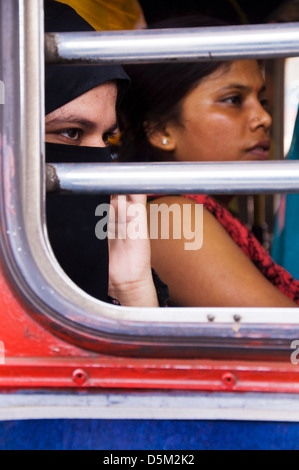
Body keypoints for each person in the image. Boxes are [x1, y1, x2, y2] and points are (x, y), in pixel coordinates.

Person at [118, 15, 299, 308]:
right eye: (233, 100)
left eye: (262, 102)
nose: (263, 118)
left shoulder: (206, 213)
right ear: (161, 130)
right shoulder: (171, 216)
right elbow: (282, 338)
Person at [44, 0, 167, 307]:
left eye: (107, 138)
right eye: (71, 132)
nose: (101, 167)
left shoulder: (113, 271)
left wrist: (132, 287)